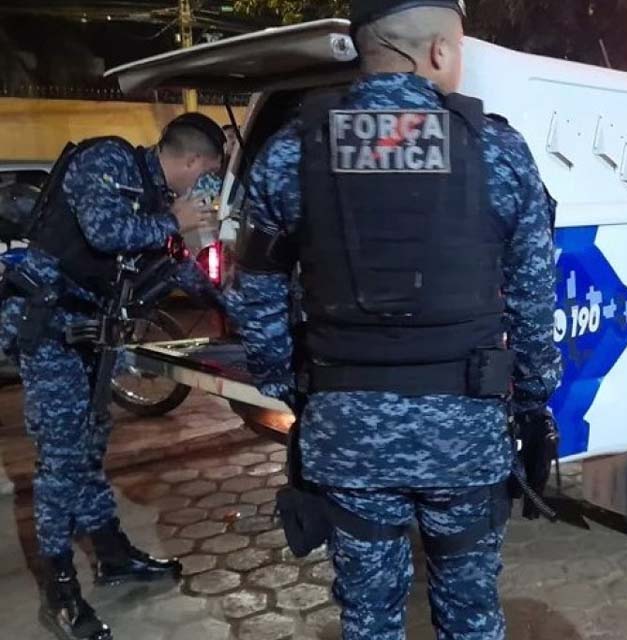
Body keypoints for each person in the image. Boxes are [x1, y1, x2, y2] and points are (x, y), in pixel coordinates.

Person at [227, 1, 561, 638]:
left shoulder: (294, 149)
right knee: (471, 619)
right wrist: (534, 398)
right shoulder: (497, 150)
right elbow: (533, 300)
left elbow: (256, 291)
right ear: (439, 51)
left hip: (347, 434)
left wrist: (285, 381)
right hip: (463, 434)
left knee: (369, 620)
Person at [0, 113, 224, 640]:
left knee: (89, 448)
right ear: (192, 162)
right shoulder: (108, 159)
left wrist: (239, 306)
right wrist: (177, 220)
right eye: (208, 174)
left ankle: (112, 554)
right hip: (50, 326)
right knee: (61, 461)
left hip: (93, 334)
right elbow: (105, 233)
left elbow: (175, 269)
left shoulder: (154, 198)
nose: (205, 187)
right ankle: (59, 591)